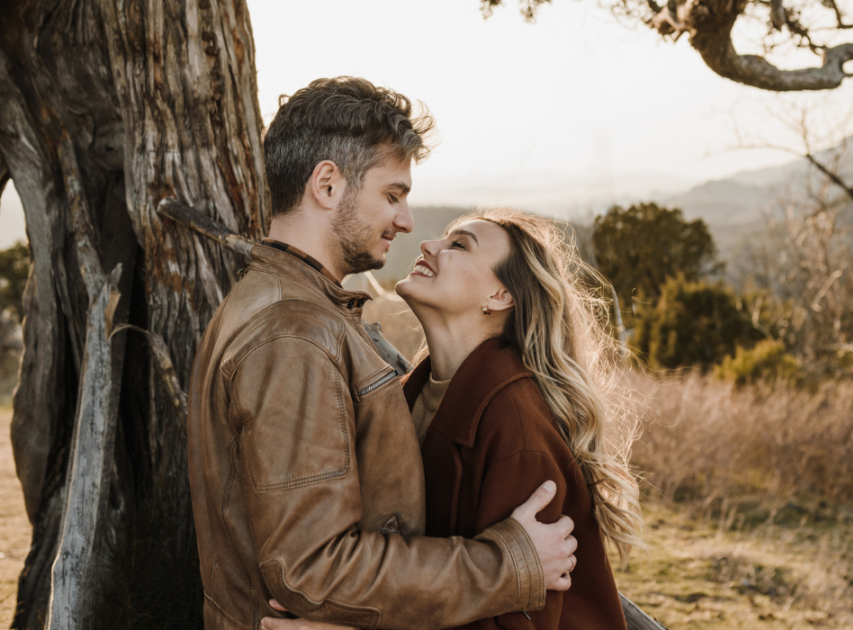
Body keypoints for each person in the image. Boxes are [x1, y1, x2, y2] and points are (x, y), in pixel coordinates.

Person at [187, 77, 579, 630]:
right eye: (392, 195)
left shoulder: (280, 305)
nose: (407, 222)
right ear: (327, 184)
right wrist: (506, 564)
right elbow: (312, 570)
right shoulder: (293, 333)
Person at [262, 209, 644, 630]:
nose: (429, 245)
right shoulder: (411, 395)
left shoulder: (516, 427)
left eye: (459, 245)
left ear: (500, 297)